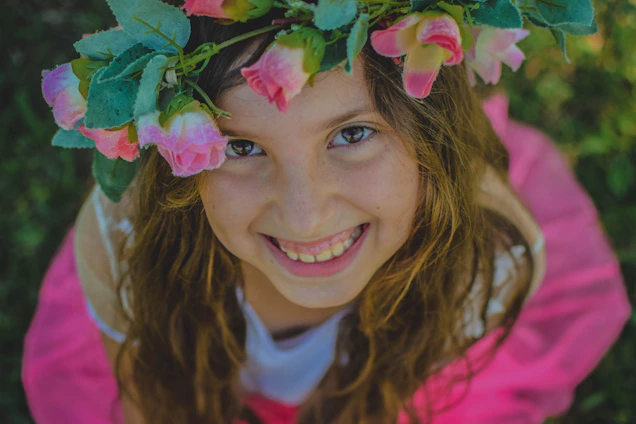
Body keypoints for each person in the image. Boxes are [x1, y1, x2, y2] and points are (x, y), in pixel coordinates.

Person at [23, 1, 631, 423]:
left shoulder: (484, 260)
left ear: (429, 132)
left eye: (351, 135)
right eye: (240, 147)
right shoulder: (130, 243)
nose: (305, 215)